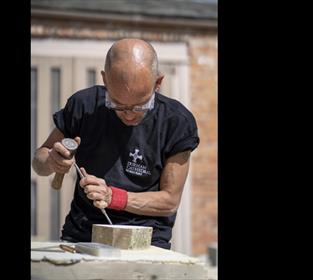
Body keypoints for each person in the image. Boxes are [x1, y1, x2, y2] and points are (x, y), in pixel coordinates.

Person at [32, 38, 199, 249]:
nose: (129, 115)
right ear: (105, 79)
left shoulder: (177, 122)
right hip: (82, 235)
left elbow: (169, 201)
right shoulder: (84, 105)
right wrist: (51, 161)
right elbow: (39, 161)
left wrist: (113, 197)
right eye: (117, 104)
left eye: (140, 106)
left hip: (145, 242)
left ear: (158, 83)